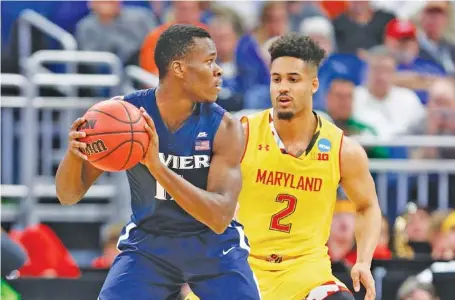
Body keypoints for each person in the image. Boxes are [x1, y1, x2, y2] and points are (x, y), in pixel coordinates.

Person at [55, 24, 260, 300]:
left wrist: (157, 167)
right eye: (209, 61)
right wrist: (75, 152)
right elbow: (68, 195)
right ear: (178, 69)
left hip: (212, 246)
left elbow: (220, 217)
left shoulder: (225, 127)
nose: (218, 70)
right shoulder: (123, 116)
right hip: (150, 245)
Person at [185, 33, 382, 300]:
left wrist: (363, 261)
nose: (282, 88)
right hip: (240, 266)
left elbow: (367, 206)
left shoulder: (341, 149)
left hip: (305, 272)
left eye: (293, 79)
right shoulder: (240, 134)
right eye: (276, 79)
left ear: (313, 84)